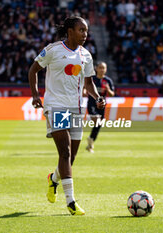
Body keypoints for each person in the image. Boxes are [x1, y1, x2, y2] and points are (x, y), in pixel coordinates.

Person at [28, 16, 105, 216]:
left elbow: (89, 83)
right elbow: (33, 70)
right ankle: (70, 201)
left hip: (76, 108)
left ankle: (53, 179)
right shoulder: (53, 50)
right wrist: (36, 95)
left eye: (86, 31)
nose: (85, 34)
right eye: (81, 30)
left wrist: (97, 97)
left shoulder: (86, 55)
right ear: (70, 31)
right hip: (56, 106)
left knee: (71, 156)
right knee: (65, 152)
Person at [85, 61, 115, 153]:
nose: (102, 70)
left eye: (104, 68)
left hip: (102, 105)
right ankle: (90, 140)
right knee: (97, 120)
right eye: (100, 67)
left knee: (99, 124)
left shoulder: (108, 81)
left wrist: (108, 89)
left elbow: (112, 94)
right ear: (96, 68)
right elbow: (84, 88)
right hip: (92, 104)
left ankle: (91, 140)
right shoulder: (91, 79)